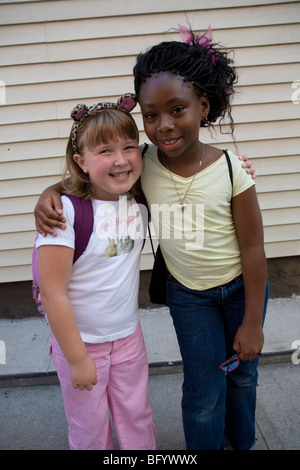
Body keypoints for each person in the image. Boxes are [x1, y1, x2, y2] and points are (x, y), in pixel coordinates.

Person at [34, 26, 264, 450]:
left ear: (204, 105)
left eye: (178, 109)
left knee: (243, 374)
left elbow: (253, 248)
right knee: (203, 388)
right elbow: (95, 173)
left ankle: (242, 440)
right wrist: (51, 193)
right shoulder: (144, 163)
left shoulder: (231, 170)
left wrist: (253, 322)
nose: (164, 126)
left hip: (238, 290)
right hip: (187, 294)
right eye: (151, 115)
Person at [35, 95, 156, 450]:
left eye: (129, 147)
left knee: (137, 416)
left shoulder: (139, 199)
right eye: (105, 151)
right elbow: (53, 292)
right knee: (89, 426)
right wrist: (77, 358)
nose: (120, 160)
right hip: (82, 343)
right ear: (81, 162)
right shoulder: (64, 215)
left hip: (128, 337)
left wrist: (238, 167)